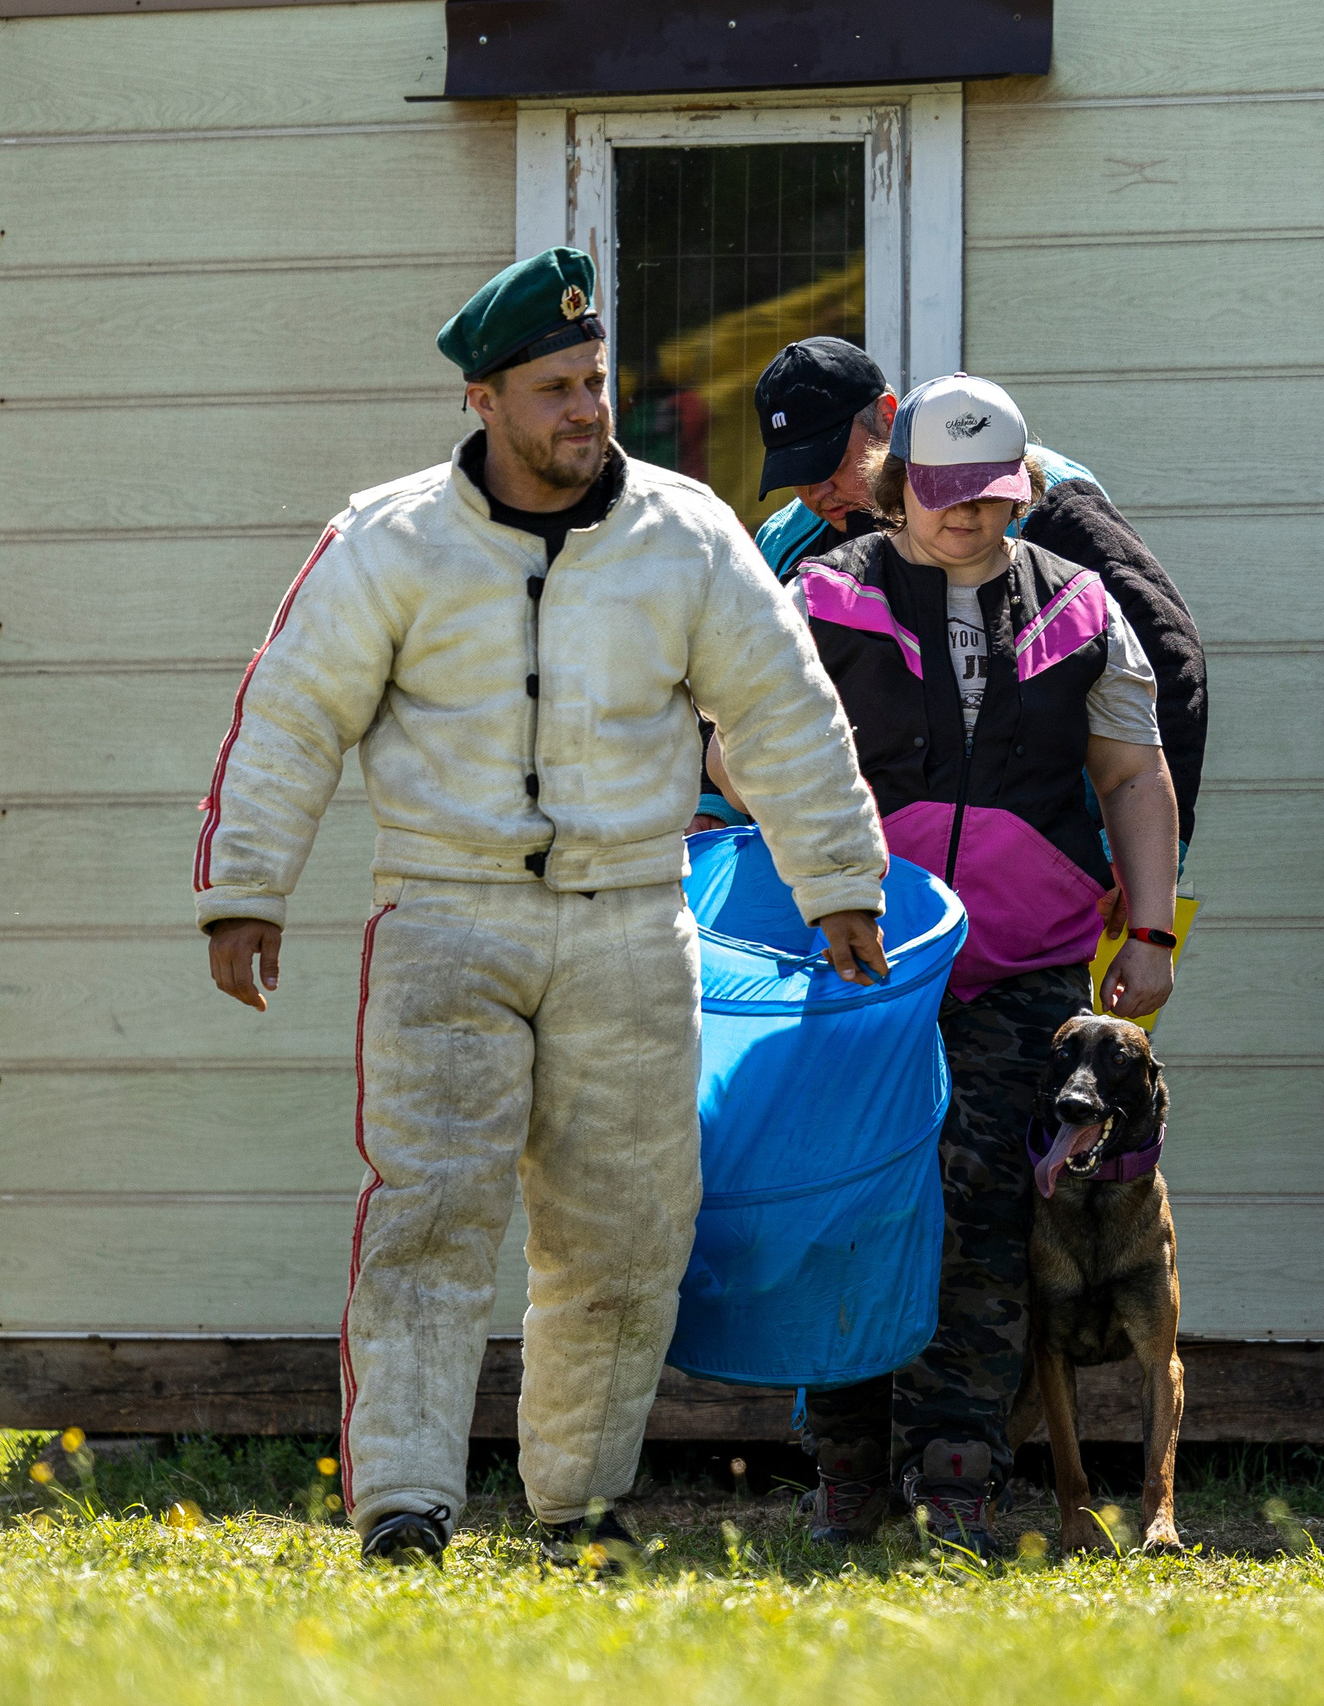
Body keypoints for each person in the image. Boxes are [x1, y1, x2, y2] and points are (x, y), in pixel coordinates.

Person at [194, 248, 891, 1571]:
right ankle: (404, 1498)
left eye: (597, 380)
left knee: (628, 1230)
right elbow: (293, 708)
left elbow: (783, 709)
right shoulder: (388, 540)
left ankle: (579, 1499)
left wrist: (839, 879)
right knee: (430, 1215)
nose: (589, 408)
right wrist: (246, 887)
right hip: (443, 916)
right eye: (558, 388)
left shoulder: (689, 534)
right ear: (486, 400)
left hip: (634, 916)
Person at [708, 373, 1183, 1561]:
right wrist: (825, 870)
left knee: (981, 1193)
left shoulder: (1079, 603)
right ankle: (846, 1459)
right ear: (894, 481)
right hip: (852, 948)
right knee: (851, 1189)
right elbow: (730, 747)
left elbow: (1132, 771)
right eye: (943, 496)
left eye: (990, 497)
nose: (967, 519)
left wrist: (1155, 931)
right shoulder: (820, 591)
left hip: (1023, 958)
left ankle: (960, 1457)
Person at [701, 339, 1209, 881]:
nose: (817, 491)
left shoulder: (1042, 501)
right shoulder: (792, 545)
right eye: (795, 472)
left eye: (832, 461)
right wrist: (714, 810)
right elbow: (741, 698)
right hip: (862, 884)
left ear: (887, 418)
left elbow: (1166, 656)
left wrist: (1128, 865)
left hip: (1048, 881)